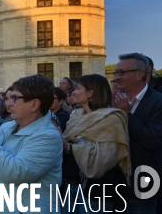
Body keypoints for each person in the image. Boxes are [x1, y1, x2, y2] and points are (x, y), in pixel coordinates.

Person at [0, 74, 62, 213]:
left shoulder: (48, 136)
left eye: (15, 98)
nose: (8, 103)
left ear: (34, 104)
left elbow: (16, 173)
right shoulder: (8, 127)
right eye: (9, 98)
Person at [61, 74, 130, 213]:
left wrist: (69, 147)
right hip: (71, 186)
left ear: (90, 93)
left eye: (77, 88)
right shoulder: (75, 116)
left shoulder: (111, 120)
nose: (73, 92)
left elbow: (103, 159)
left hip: (98, 192)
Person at [113, 53, 162, 213]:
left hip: (145, 182)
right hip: (118, 184)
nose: (117, 77)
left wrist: (127, 115)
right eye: (116, 72)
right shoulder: (116, 100)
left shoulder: (158, 102)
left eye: (122, 73)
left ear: (139, 74)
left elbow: (152, 139)